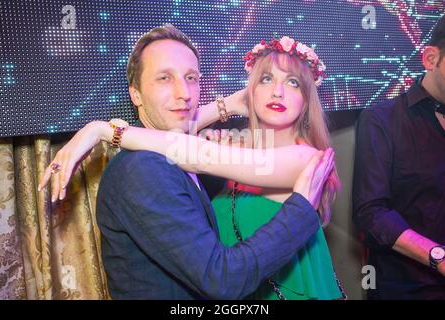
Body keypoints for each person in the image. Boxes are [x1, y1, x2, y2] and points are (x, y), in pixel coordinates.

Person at [39, 25, 334, 299]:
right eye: (266, 79)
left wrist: (103, 130)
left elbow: (185, 146)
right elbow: (178, 138)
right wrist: (228, 104)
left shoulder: (304, 158)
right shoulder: (158, 166)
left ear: (308, 99)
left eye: (293, 82)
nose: (278, 92)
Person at [353, 14, 445, 299]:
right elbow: (371, 213)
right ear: (430, 59)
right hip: (409, 289)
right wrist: (439, 258)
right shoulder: (382, 119)